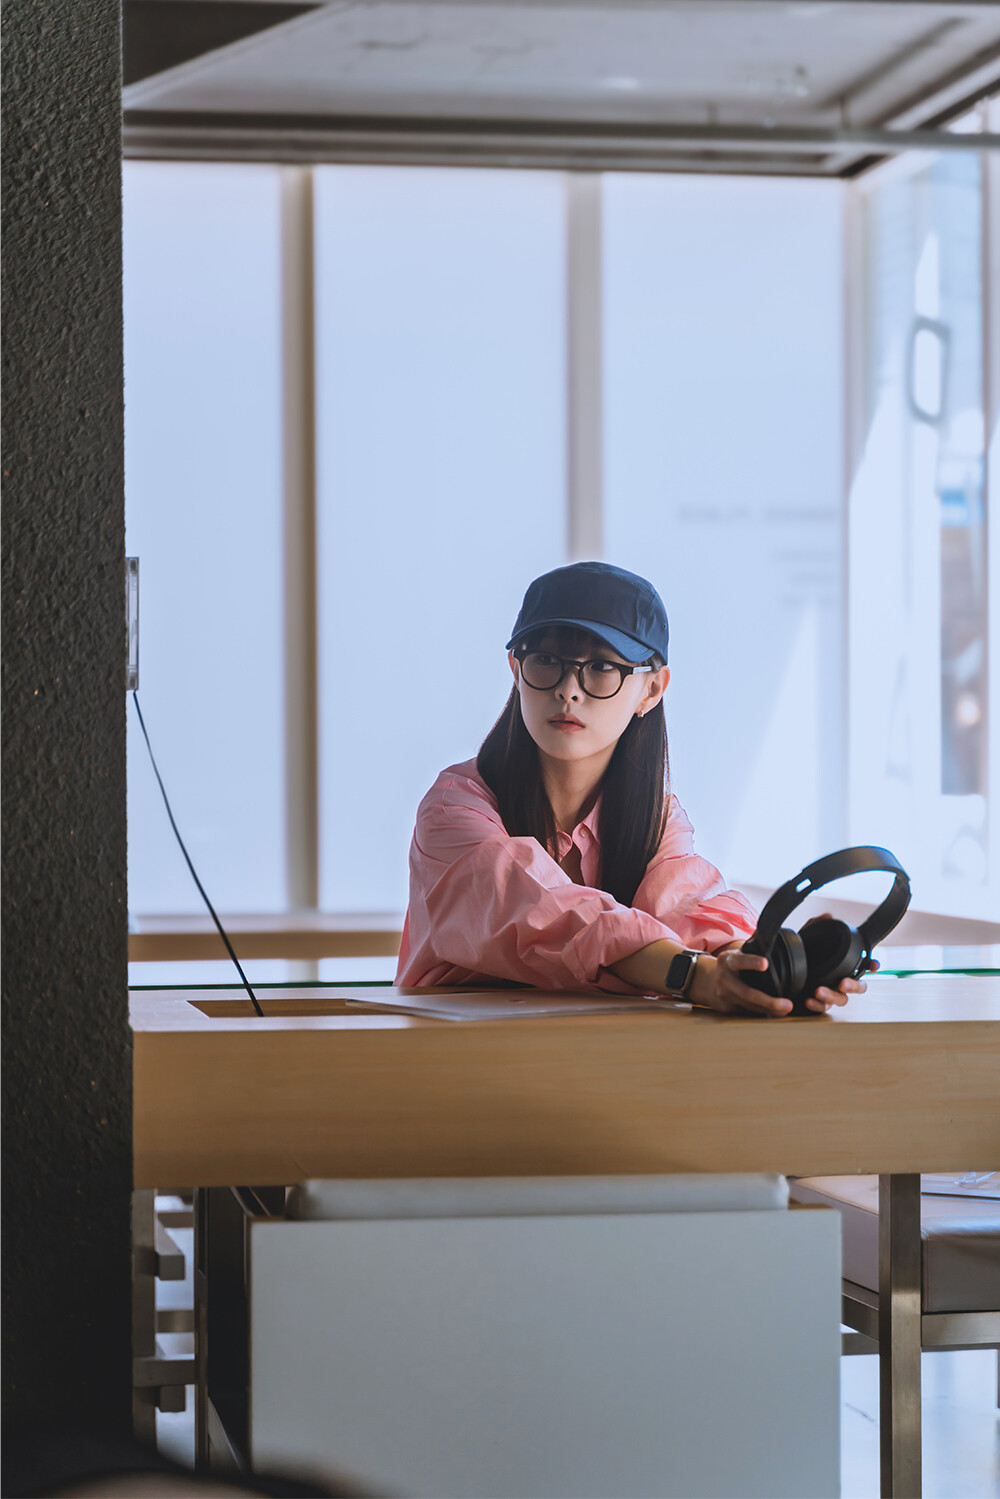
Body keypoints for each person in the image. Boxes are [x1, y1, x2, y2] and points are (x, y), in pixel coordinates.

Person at [396, 561, 868, 1016]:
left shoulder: (656, 819)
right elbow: (547, 914)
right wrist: (693, 974)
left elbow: (688, 906)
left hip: (599, 1058)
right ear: (516, 670)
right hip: (452, 1059)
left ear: (652, 689)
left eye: (601, 666)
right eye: (545, 661)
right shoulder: (454, 809)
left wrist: (763, 963)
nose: (568, 690)